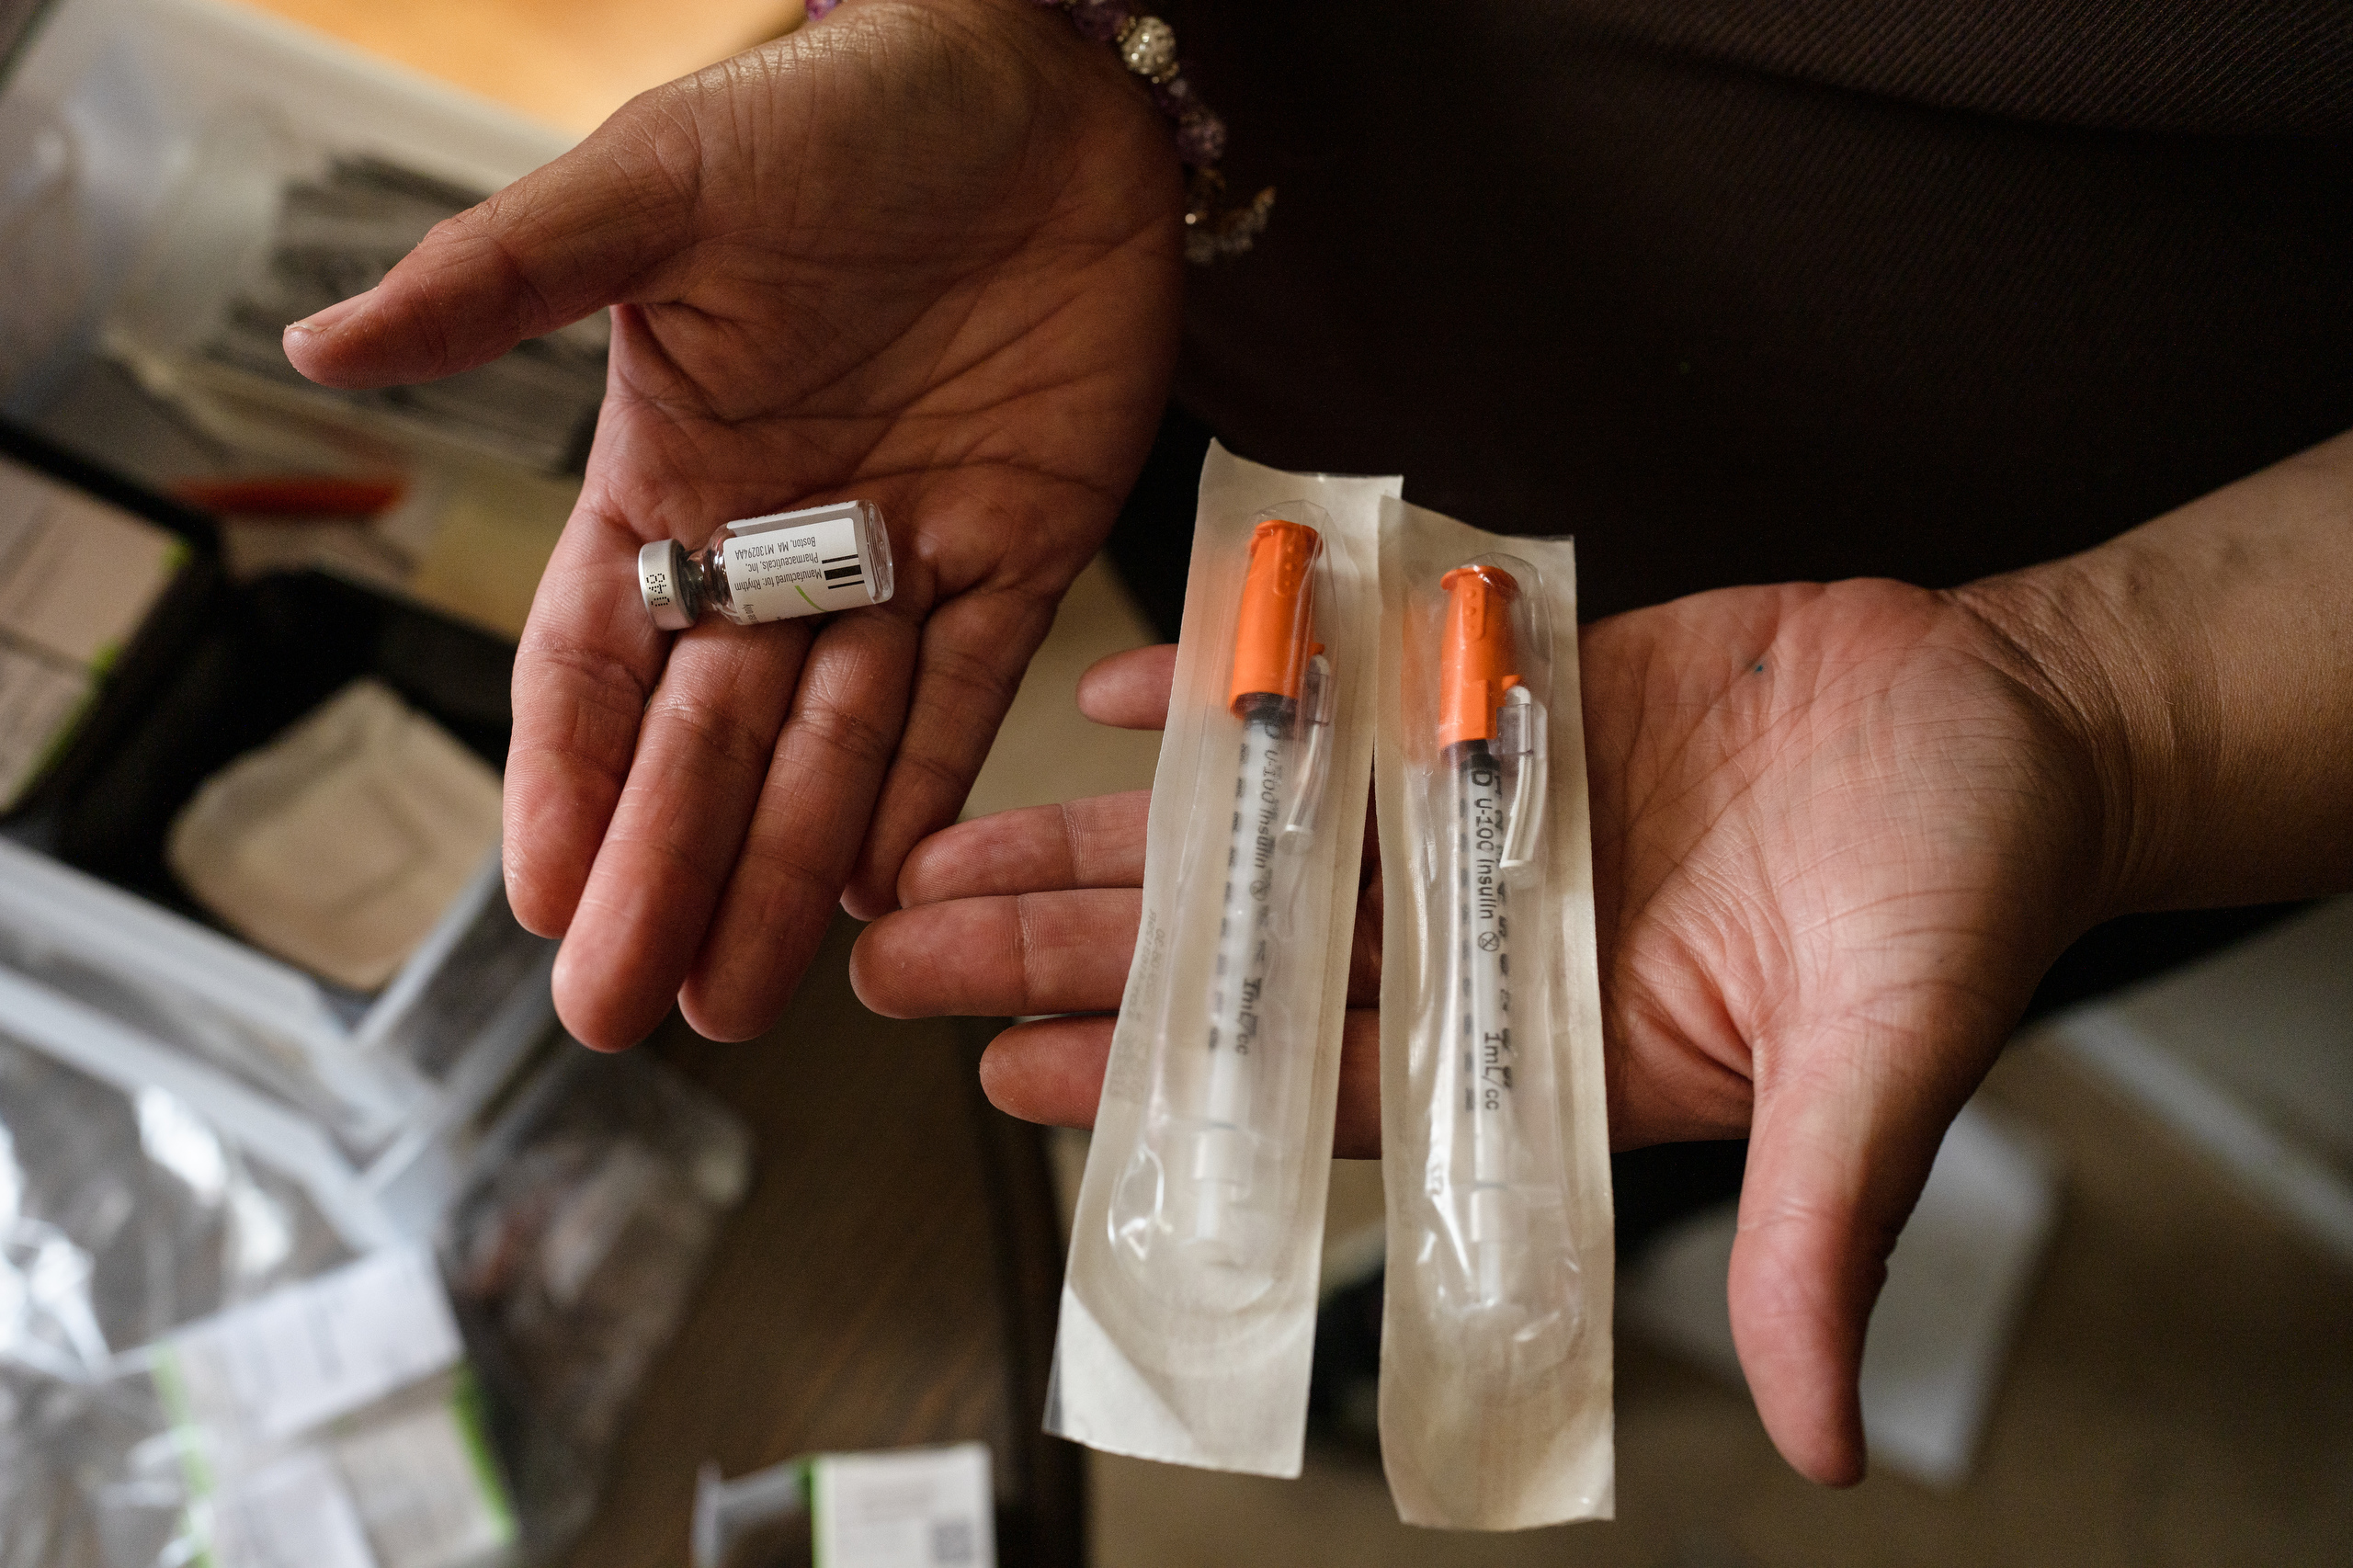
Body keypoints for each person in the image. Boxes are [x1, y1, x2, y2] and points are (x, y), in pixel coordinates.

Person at [283, 0, 2353, 1487]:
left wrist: (2105, 698)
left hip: (2051, 594)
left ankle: (1563, 1264)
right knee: (1453, 992)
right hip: (1171, 291)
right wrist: (1037, 32)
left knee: (1673, 1042)